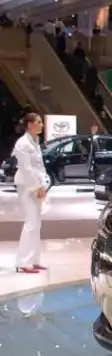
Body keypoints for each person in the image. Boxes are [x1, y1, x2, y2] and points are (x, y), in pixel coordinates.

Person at [13, 113, 47, 274]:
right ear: (30, 125)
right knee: (31, 222)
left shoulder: (35, 141)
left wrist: (43, 184)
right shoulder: (22, 143)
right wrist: (37, 187)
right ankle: (23, 261)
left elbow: (39, 166)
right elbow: (26, 169)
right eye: (39, 122)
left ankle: (34, 260)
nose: (41, 125)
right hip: (26, 185)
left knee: (36, 223)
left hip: (37, 185)